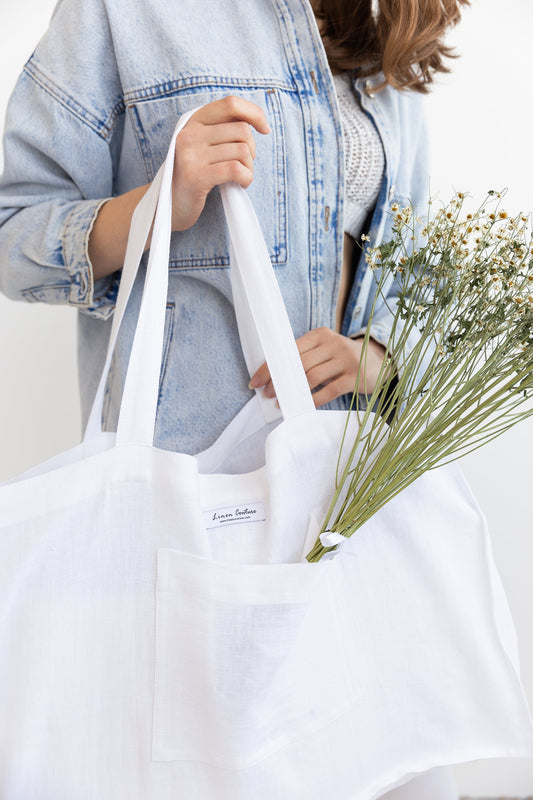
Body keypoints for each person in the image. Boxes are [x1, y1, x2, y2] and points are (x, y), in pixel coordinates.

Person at [0, 1, 469, 796]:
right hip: (187, 514)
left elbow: (416, 260)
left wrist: (379, 359)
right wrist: (154, 206)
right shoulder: (124, 11)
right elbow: (12, 233)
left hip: (348, 503)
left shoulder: (386, 17)